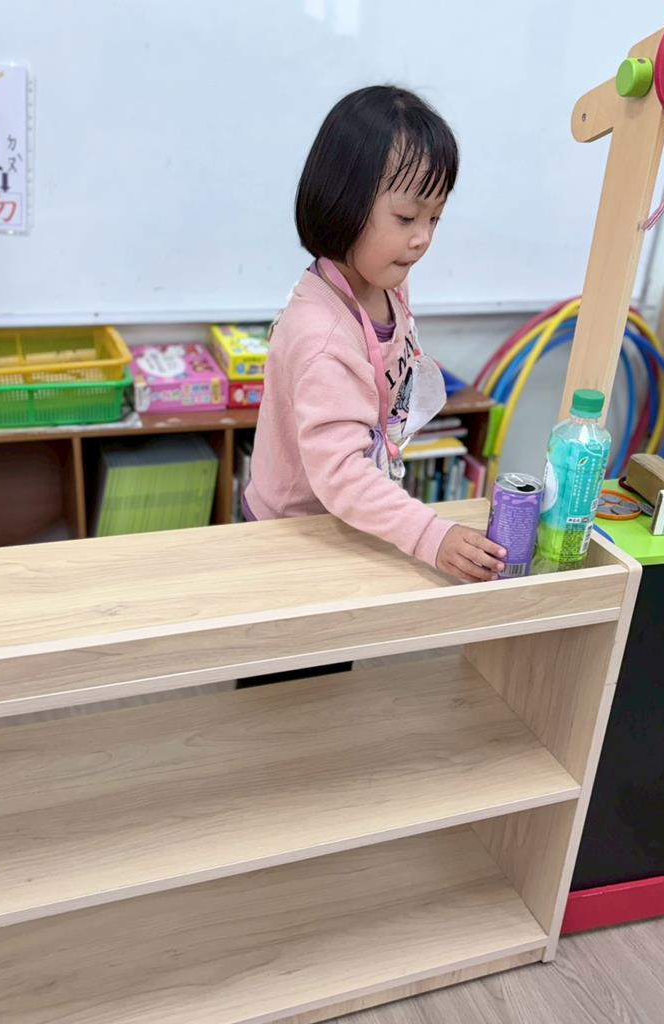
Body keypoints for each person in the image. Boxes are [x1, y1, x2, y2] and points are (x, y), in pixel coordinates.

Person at [238, 85, 506, 689]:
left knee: (334, 674)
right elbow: (339, 474)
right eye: (407, 218)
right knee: (286, 690)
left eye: (435, 218)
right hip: (292, 533)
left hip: (343, 520)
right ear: (344, 204)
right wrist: (431, 536)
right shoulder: (322, 334)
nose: (423, 238)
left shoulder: (386, 283)